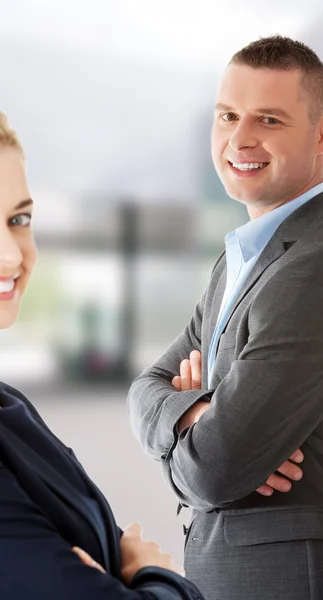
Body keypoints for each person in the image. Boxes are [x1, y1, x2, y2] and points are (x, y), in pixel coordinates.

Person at [127, 36, 323, 600]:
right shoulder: (242, 257)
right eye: (227, 115)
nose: (240, 139)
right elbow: (144, 389)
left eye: (268, 119)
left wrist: (202, 437)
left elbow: (214, 470)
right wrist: (198, 413)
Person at [0, 112, 206, 600]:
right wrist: (157, 574)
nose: (12, 254)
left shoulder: (10, 404)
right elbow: (148, 387)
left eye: (18, 219)